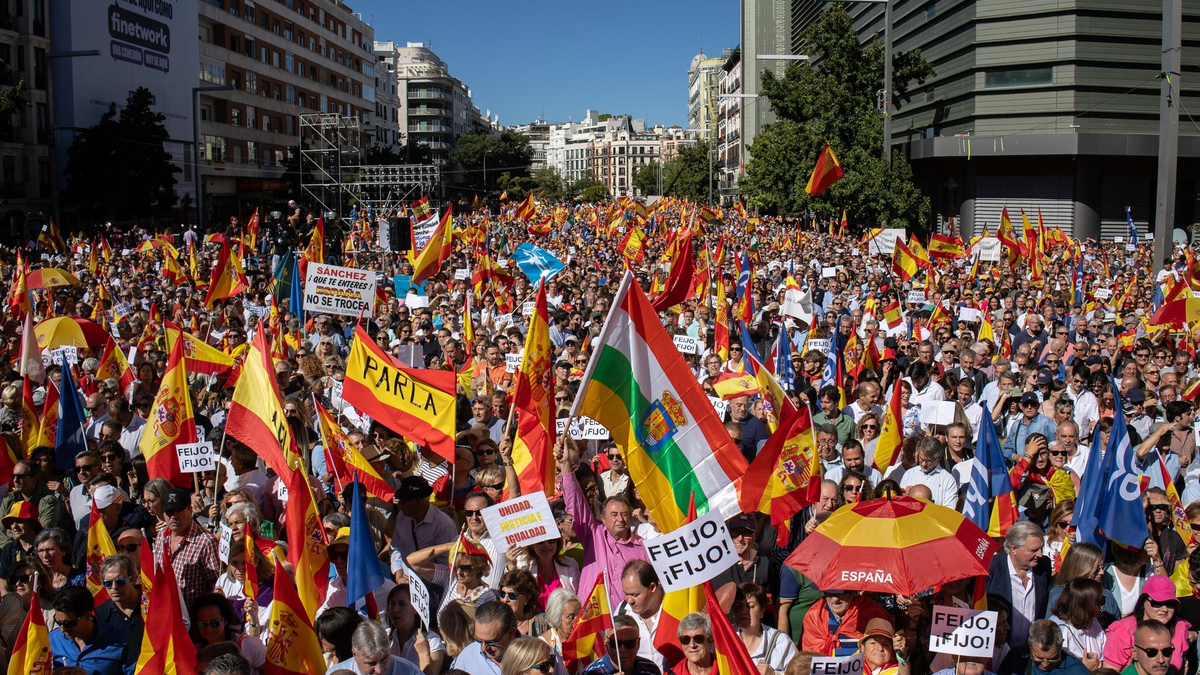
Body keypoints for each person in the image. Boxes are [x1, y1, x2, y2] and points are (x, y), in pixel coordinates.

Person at [559, 446, 649, 610]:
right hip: (591, 621)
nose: (620, 519)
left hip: (625, 624)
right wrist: (565, 465)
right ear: (603, 518)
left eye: (624, 514)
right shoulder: (593, 533)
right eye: (614, 515)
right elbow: (575, 500)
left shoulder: (642, 548)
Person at [986, 521, 1051, 667]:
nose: (1040, 554)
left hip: (1031, 654)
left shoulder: (1043, 566)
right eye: (1034, 550)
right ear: (1013, 549)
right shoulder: (991, 568)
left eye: (1041, 548)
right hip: (998, 651)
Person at [1101, 576, 1190, 672]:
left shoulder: (1179, 627)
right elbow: (1109, 672)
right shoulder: (1122, 631)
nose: (1164, 609)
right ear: (1143, 601)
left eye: (1170, 604)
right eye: (1157, 602)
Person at [152, 488, 220, 608]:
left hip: (192, 617)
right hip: (166, 612)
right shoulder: (161, 537)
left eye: (178, 510)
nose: (173, 516)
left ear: (190, 509)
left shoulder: (205, 542)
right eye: (169, 512)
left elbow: (216, 585)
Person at [48, 585, 135, 674]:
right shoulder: (53, 640)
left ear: (87, 616)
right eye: (58, 622)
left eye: (69, 624)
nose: (62, 629)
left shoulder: (122, 639)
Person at [389, 476, 458, 582]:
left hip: (431, 587)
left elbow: (446, 567)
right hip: (405, 583)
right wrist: (399, 575)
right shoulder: (401, 517)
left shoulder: (443, 525)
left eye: (403, 501)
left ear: (417, 503)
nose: (399, 505)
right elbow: (396, 548)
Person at [800, 588, 890, 655]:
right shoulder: (815, 615)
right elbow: (809, 657)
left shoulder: (873, 613)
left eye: (841, 593)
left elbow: (883, 651)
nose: (835, 599)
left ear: (853, 593)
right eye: (829, 593)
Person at [732, 582, 798, 671]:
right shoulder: (723, 636)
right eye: (738, 606)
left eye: (751, 606)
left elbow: (798, 672)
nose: (744, 611)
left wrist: (773, 674)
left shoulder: (780, 642)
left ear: (761, 612)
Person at [616, 560, 667, 671]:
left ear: (652, 587)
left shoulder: (674, 609)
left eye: (635, 595)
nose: (629, 600)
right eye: (626, 594)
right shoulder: (622, 611)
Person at [451, 600, 519, 675]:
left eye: (491, 642)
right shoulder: (466, 657)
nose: (483, 648)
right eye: (479, 640)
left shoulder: (532, 654)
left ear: (511, 632)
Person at [1048, 579, 1105, 665]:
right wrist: (1084, 669)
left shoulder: (1092, 620)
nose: (1102, 607)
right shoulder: (1059, 630)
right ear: (1086, 606)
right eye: (1100, 602)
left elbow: (1105, 651)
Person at [582, 614, 662, 675]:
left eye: (629, 643)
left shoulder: (650, 669)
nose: (622, 650)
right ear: (606, 643)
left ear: (638, 643)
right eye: (616, 643)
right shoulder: (592, 672)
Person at [343, 620, 425, 675]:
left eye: (384, 659)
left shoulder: (410, 671)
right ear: (355, 655)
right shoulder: (336, 672)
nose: (379, 670)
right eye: (371, 663)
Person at [1027, 620, 1093, 675]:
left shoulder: (1078, 672)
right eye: (1039, 658)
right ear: (1030, 647)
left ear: (1061, 645)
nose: (1045, 664)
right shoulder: (1022, 663)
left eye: (1052, 659)